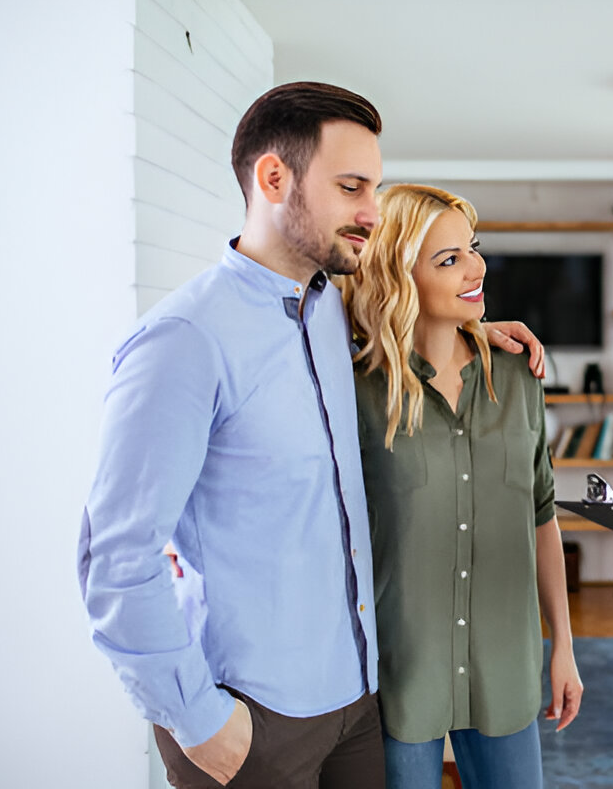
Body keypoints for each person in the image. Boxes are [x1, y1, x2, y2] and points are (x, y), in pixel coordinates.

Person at [78, 83, 543, 789]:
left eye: (376, 189)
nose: (371, 213)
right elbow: (114, 558)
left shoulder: (330, 310)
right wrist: (200, 723)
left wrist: (478, 330)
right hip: (253, 720)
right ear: (273, 179)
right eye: (352, 187)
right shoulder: (185, 340)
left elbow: (412, 315)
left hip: (354, 703)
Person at [339, 184, 583, 789]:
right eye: (448, 260)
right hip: (399, 673)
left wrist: (563, 647)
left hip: (507, 663)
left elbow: (542, 513)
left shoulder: (518, 376)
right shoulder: (357, 391)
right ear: (400, 277)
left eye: (472, 248)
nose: (475, 267)